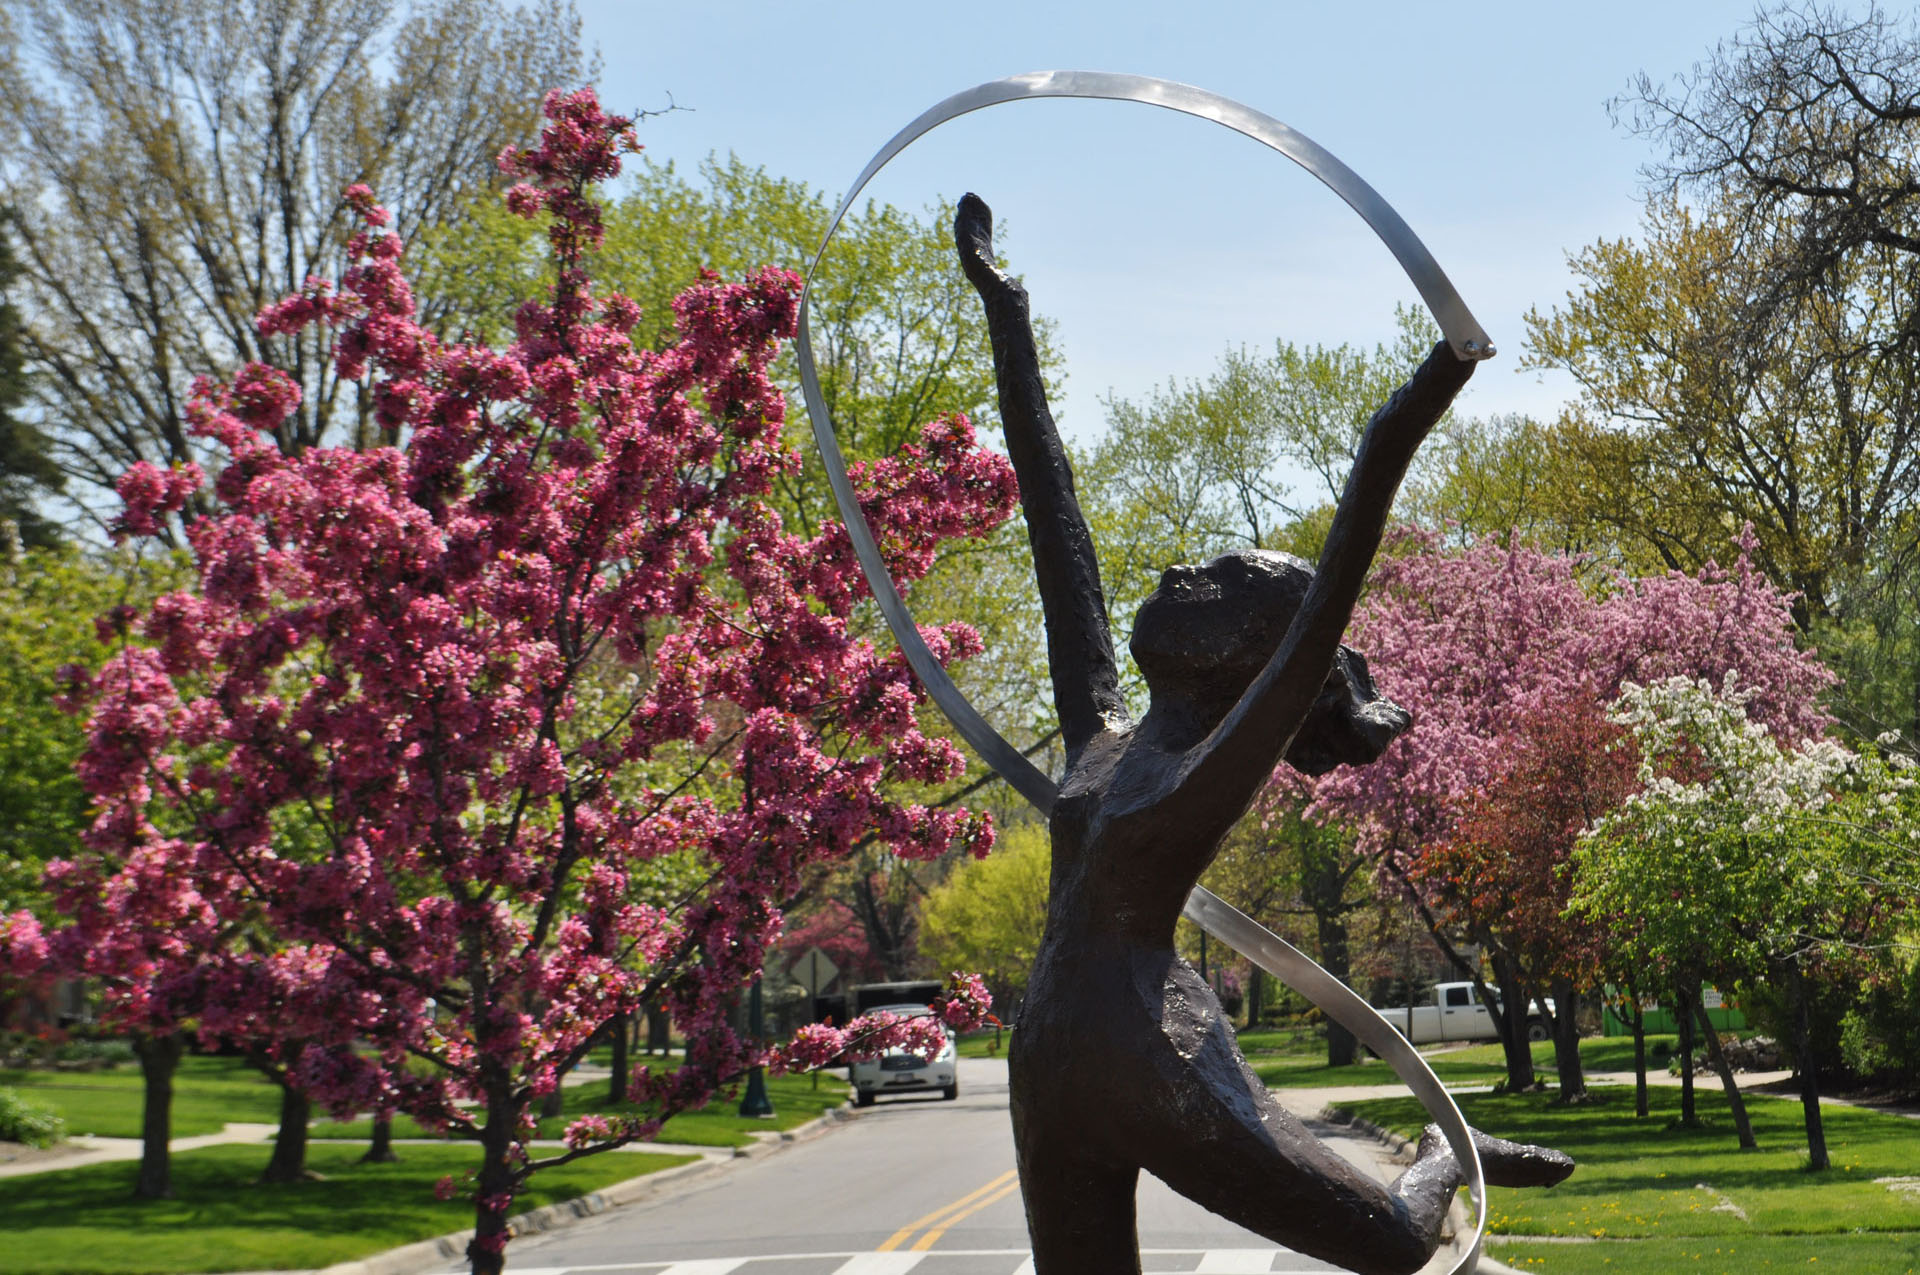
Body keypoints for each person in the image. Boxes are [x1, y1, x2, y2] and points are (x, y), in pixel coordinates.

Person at [955, 193, 1572, 1275]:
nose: (1182, 576)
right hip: (1051, 1057)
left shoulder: (1209, 764)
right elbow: (1057, 528)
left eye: (1225, 582)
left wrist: (1437, 380)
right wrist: (1008, 313)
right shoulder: (1100, 731)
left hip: (1152, 1054)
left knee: (1386, 1241)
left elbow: (1343, 556)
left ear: (1260, 663)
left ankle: (1439, 1154)